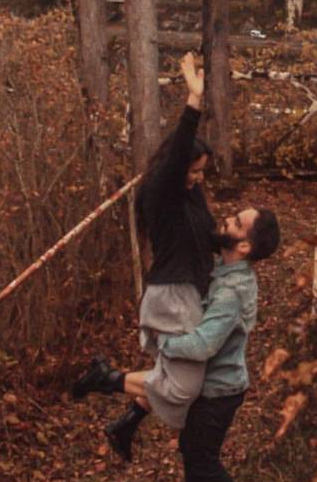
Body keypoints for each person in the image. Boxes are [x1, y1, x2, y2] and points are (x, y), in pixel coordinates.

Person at [71, 52, 217, 460]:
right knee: (186, 386)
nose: (197, 179)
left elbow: (206, 236)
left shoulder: (189, 194)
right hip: (171, 298)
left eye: (202, 172)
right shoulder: (162, 191)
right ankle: (109, 380)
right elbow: (177, 157)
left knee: (177, 377)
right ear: (177, 166)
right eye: (194, 171)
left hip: (188, 293)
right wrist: (193, 100)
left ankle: (126, 423)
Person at [150, 204, 280, 482]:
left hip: (220, 392)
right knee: (192, 452)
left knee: (203, 461)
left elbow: (204, 344)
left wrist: (164, 343)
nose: (226, 220)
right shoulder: (226, 270)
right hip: (211, 388)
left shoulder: (231, 291)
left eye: (236, 223)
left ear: (244, 247)